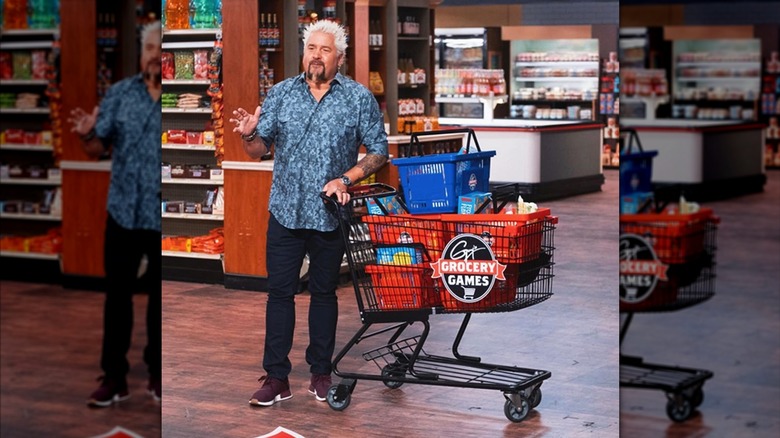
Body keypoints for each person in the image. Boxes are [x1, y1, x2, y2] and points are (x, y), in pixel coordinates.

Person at [230, 19, 388, 406]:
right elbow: (257, 149)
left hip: (329, 213)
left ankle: (320, 372)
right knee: (279, 295)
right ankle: (276, 378)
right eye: (311, 48)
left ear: (341, 57)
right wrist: (250, 133)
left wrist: (346, 179)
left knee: (323, 294)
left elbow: (379, 151)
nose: (316, 56)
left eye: (325, 49)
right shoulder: (281, 93)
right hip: (285, 210)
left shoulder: (357, 98)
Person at [67, 20, 162, 407]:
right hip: (122, 212)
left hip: (161, 217)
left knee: (159, 300)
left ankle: (157, 374)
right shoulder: (120, 94)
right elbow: (96, 149)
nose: (155, 55)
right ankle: (114, 377)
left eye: (161, 48)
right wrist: (87, 133)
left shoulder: (184, 99)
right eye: (149, 48)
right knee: (117, 298)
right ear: (141, 54)